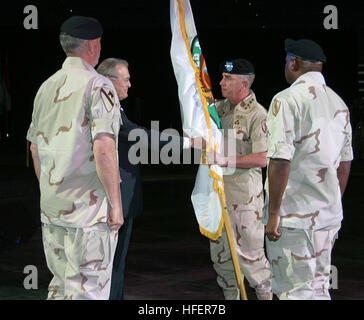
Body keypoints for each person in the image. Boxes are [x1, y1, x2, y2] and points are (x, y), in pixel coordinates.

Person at [26, 16, 123, 300]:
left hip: (54, 210)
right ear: (93, 46)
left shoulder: (46, 87)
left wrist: (51, 190)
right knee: (89, 291)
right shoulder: (98, 85)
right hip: (88, 214)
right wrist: (115, 206)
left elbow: (34, 148)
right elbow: (104, 149)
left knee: (60, 288)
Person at [96, 58, 205, 300]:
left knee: (114, 263)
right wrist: (187, 144)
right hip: (113, 201)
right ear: (109, 81)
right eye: (126, 79)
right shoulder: (106, 108)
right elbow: (138, 136)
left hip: (116, 198)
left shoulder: (111, 106)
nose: (130, 84)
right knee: (111, 264)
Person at [264, 39, 353, 300]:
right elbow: (344, 165)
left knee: (294, 292)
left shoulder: (287, 100)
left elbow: (281, 160)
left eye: (286, 61)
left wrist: (273, 214)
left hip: (294, 219)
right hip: (327, 218)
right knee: (318, 289)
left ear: (294, 63)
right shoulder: (339, 104)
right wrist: (330, 205)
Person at [206, 59, 272, 300]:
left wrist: (226, 160)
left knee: (252, 260)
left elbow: (264, 157)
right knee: (223, 261)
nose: (221, 82)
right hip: (218, 199)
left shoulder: (258, 114)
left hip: (244, 202)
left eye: (228, 79)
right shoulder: (218, 110)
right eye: (222, 77)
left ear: (244, 84)